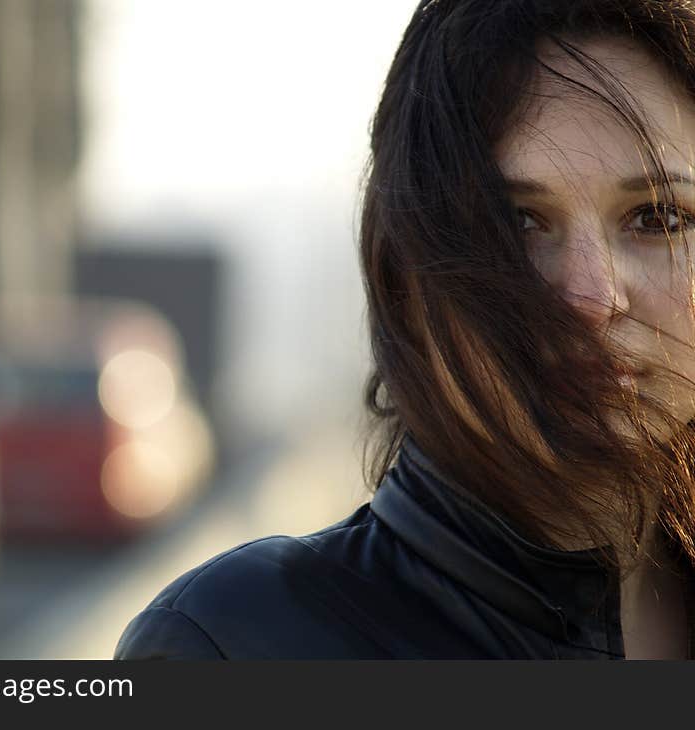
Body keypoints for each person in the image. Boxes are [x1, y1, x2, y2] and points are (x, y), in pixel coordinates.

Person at [114, 0, 695, 660]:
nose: (593, 297)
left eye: (659, 218)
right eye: (516, 224)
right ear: (401, 277)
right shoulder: (235, 646)